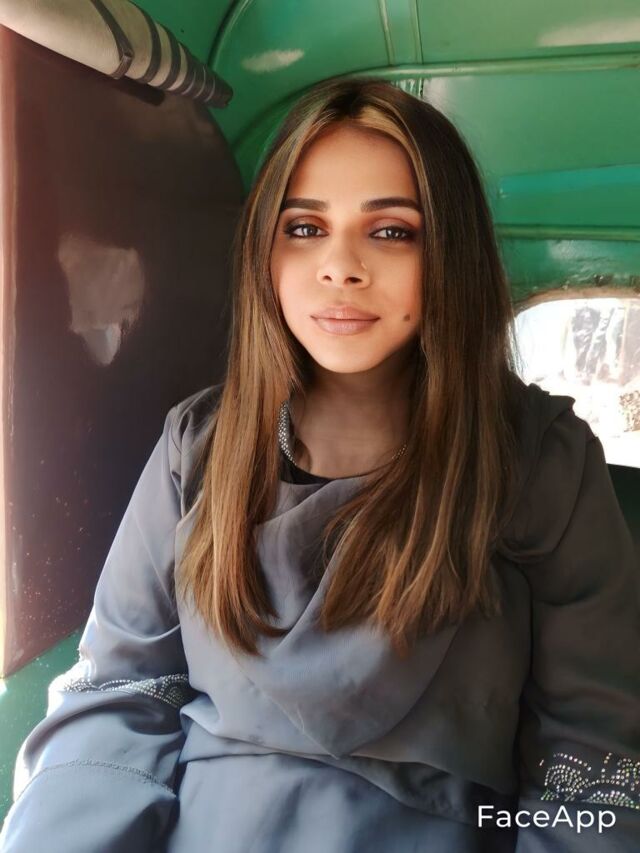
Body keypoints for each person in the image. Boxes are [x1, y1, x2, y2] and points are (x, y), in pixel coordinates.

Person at [1, 77, 638, 852]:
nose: (340, 266)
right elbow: (119, 689)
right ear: (265, 248)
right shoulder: (199, 446)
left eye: (391, 231)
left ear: (450, 252)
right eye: (304, 227)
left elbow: (594, 762)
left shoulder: (541, 460)